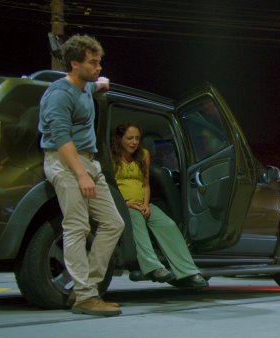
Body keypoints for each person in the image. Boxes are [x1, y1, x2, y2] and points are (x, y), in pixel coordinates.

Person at [38, 34, 124, 316]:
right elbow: (61, 138)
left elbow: (99, 83)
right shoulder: (59, 94)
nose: (98, 67)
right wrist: (81, 175)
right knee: (77, 228)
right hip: (66, 163)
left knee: (114, 223)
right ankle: (86, 297)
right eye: (93, 63)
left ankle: (86, 286)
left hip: (89, 162)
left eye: (99, 62)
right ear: (74, 64)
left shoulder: (85, 86)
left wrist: (102, 82)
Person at [111, 123, 208, 289]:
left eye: (136, 138)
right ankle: (154, 268)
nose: (134, 142)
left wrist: (146, 204)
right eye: (129, 138)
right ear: (119, 139)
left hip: (142, 203)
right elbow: (108, 184)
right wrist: (126, 203)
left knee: (168, 224)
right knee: (136, 220)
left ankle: (189, 271)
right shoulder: (111, 156)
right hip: (122, 204)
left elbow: (146, 183)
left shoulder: (143, 154)